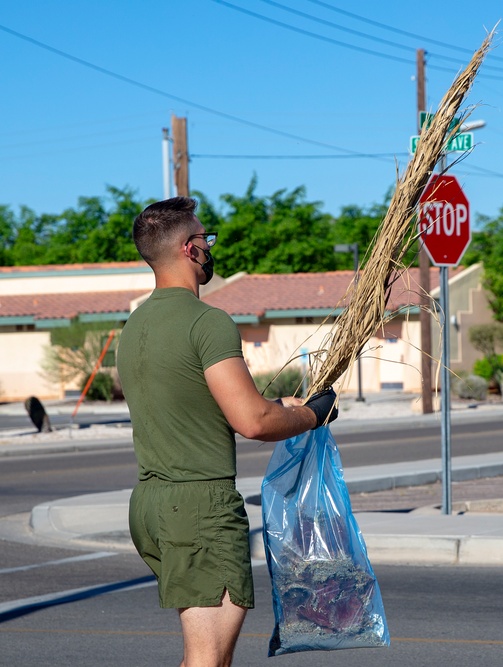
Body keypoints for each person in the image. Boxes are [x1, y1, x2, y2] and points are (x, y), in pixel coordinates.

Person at [117, 196, 338, 667]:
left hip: (153, 505)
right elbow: (252, 422)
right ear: (189, 249)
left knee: (203, 657)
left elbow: (199, 405)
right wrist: (313, 415)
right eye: (205, 238)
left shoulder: (133, 327)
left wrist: (283, 405)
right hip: (200, 506)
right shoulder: (207, 322)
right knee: (208, 660)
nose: (209, 247)